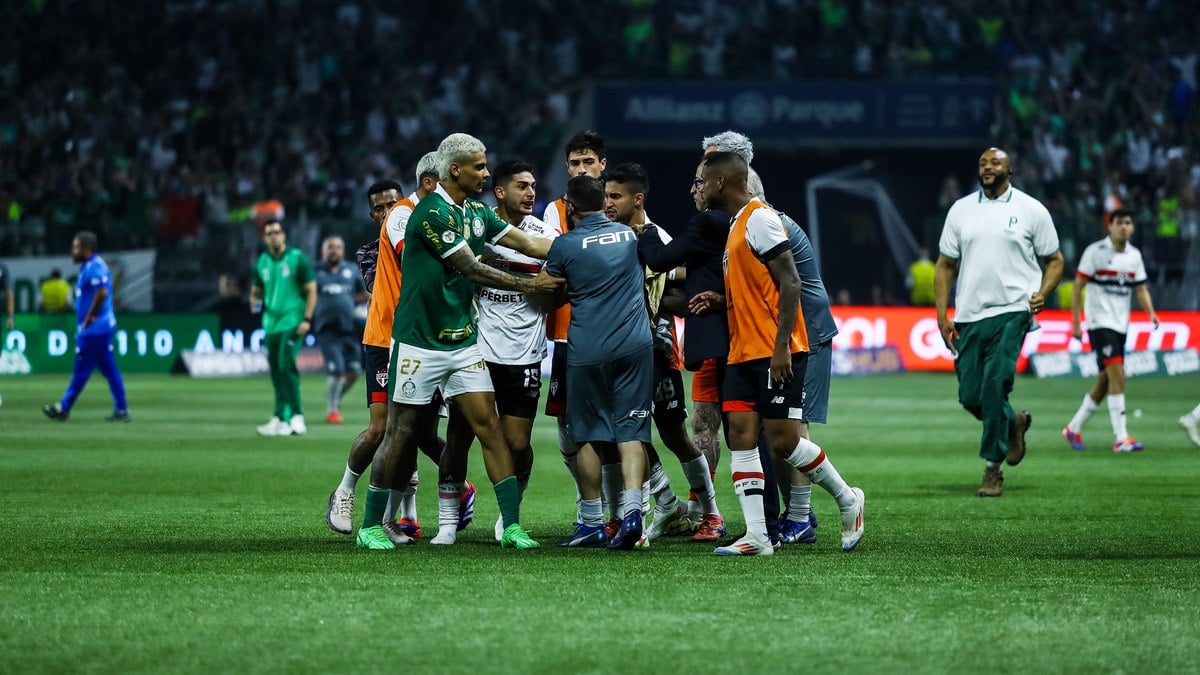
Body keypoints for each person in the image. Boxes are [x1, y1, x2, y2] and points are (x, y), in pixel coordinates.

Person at [353, 133, 561, 551]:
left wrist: (585, 247)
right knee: (401, 432)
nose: (486, 173)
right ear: (455, 170)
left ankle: (513, 525)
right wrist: (533, 283)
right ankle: (370, 524)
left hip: (463, 343)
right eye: (480, 167)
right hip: (418, 343)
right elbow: (472, 269)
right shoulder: (429, 213)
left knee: (490, 430)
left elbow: (530, 242)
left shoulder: (477, 213)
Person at [692, 152, 864, 556]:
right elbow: (760, 284)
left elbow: (791, 281)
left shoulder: (760, 218)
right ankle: (757, 536)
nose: (697, 188)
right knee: (741, 437)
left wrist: (783, 345)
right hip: (742, 351)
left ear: (720, 183)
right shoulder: (737, 225)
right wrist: (724, 300)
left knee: (784, 440)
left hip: (774, 350)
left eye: (703, 180)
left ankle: (847, 499)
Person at [326, 166, 474, 545]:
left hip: (423, 340)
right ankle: (344, 492)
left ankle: (400, 514)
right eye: (380, 208)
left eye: (393, 203)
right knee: (383, 428)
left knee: (416, 431)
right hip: (383, 339)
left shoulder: (424, 230)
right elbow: (400, 281)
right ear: (372, 213)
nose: (388, 211)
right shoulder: (369, 252)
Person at [602, 163, 723, 546]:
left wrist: (653, 299)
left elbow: (685, 293)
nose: (608, 203)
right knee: (624, 429)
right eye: (606, 196)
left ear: (638, 199)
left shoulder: (657, 237)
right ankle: (664, 502)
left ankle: (710, 512)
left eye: (615, 197)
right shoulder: (604, 236)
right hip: (619, 350)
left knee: (673, 434)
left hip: (657, 349)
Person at [934, 147, 1064, 497]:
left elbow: (1054, 260)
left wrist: (1043, 292)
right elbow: (945, 265)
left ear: (1011, 169)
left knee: (994, 385)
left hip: (1013, 310)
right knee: (970, 395)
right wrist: (941, 314)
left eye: (995, 163)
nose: (987, 167)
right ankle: (1013, 422)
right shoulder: (961, 210)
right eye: (982, 163)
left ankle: (992, 470)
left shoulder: (1030, 210)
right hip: (970, 315)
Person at [539, 175, 654, 551]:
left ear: (570, 208)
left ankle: (591, 521)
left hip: (588, 350)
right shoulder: (630, 236)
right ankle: (633, 511)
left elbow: (545, 295)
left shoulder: (565, 245)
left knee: (586, 433)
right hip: (636, 346)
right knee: (632, 431)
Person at [464, 159, 557, 542]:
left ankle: (511, 509)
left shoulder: (544, 235)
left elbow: (555, 292)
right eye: (522, 185)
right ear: (499, 192)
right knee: (473, 435)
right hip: (480, 349)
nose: (531, 192)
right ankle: (457, 518)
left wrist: (551, 287)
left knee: (518, 443)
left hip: (525, 351)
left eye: (533, 185)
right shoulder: (480, 229)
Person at [541, 130, 608, 528]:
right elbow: (555, 261)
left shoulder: (620, 202)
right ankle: (593, 511)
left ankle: (633, 507)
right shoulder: (554, 211)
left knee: (622, 427)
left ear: (602, 164)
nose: (581, 169)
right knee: (568, 430)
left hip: (618, 333)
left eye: (588, 162)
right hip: (569, 335)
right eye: (574, 163)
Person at [1062, 208, 1158, 453]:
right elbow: (1078, 286)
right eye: (1119, 222)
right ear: (1110, 226)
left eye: (1128, 222)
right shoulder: (1095, 252)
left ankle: (1073, 427)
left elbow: (1140, 289)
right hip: (1099, 322)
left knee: (1106, 380)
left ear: (1132, 227)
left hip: (1120, 324)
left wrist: (1151, 312)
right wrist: (1076, 322)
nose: (1124, 226)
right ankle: (1121, 437)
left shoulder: (1134, 256)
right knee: (1117, 374)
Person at [42, 231, 130, 422]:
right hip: (102, 327)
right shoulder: (90, 266)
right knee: (110, 369)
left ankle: (64, 407)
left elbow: (103, 292)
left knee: (81, 371)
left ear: (87, 248)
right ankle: (122, 409)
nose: (73, 251)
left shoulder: (94, 268)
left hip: (94, 330)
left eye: (76, 247)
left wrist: (90, 316)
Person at [250, 219, 317, 436]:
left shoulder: (297, 259)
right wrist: (253, 299)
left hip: (292, 320)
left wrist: (307, 318)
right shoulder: (262, 262)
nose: (274, 236)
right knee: (277, 370)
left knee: (285, 364)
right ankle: (279, 417)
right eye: (269, 233)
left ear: (284, 235)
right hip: (271, 324)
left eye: (277, 232)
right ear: (265, 237)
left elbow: (311, 290)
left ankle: (297, 416)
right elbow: (257, 290)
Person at [313, 235, 367, 424]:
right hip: (327, 329)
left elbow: (365, 292)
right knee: (336, 371)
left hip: (350, 328)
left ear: (342, 251)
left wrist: (358, 306)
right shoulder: (315, 271)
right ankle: (332, 409)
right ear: (323, 250)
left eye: (337, 247)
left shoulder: (351, 270)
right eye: (330, 247)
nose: (333, 250)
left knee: (353, 372)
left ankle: (335, 399)